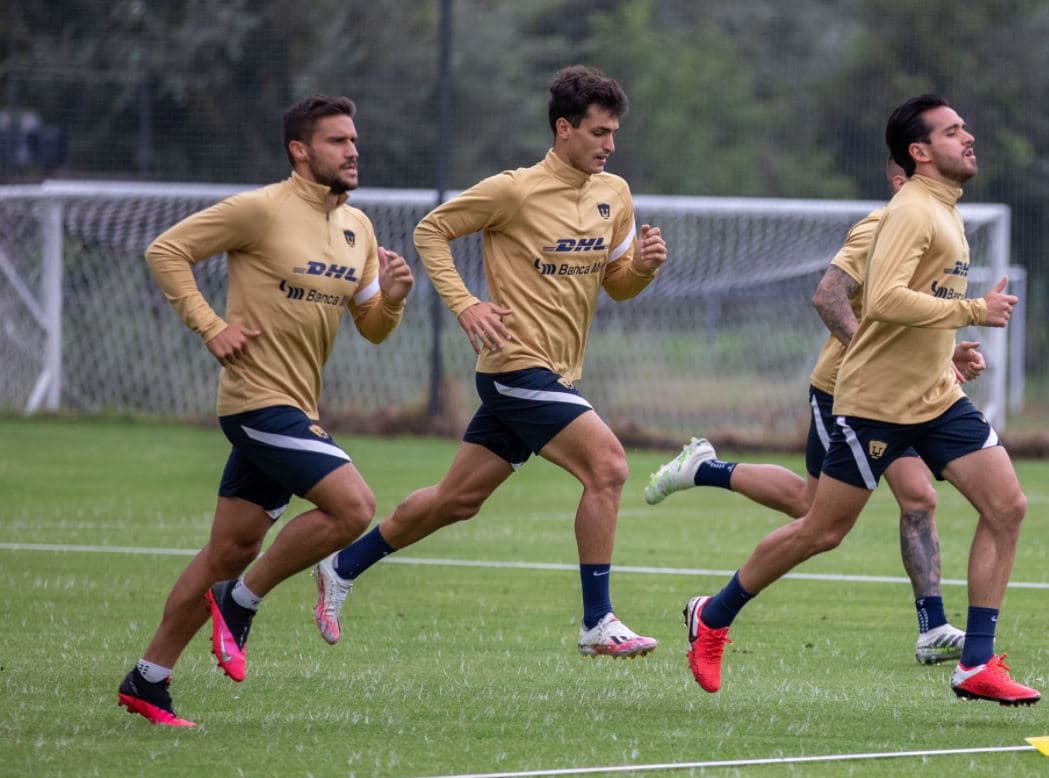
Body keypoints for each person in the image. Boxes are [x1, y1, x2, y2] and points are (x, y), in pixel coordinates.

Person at [681, 94, 1039, 705]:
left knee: (1006, 506)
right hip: (874, 404)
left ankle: (975, 664)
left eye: (965, 128)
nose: (969, 136)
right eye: (954, 132)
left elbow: (915, 307)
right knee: (820, 529)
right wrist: (973, 309)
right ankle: (713, 615)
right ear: (920, 153)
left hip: (935, 400)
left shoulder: (947, 211)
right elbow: (884, 301)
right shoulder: (911, 212)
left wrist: (950, 348)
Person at [310, 65, 668, 658]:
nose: (610, 145)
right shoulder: (514, 190)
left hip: (555, 375)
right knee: (607, 467)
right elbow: (432, 232)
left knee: (457, 500)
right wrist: (466, 304)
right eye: (599, 132)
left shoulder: (615, 195)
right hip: (514, 367)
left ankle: (343, 565)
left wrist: (646, 267)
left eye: (614, 133)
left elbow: (618, 286)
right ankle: (597, 621)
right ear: (563, 129)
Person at [117, 95, 415, 726]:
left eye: (354, 140)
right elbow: (166, 251)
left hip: (295, 405)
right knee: (354, 507)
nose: (353, 150)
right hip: (257, 403)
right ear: (300, 151)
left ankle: (149, 679)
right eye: (337, 141)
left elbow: (374, 328)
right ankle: (244, 601)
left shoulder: (358, 228)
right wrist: (210, 326)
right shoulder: (261, 209)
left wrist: (390, 298)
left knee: (229, 548)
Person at [644, 157, 983, 665]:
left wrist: (940, 354)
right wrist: (878, 357)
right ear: (903, 176)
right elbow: (827, 296)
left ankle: (932, 627)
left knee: (919, 498)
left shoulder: (936, 223)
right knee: (814, 512)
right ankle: (706, 470)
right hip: (848, 392)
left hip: (906, 393)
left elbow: (913, 310)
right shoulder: (882, 224)